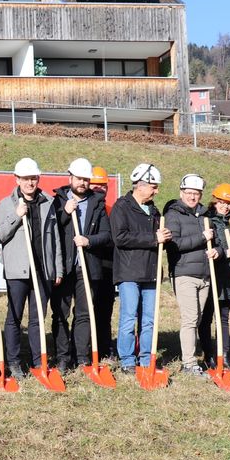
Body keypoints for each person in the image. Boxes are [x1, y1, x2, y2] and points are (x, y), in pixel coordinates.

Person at [0, 158, 63, 377]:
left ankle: (37, 361)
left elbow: (56, 240)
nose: (30, 183)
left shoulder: (48, 203)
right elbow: (0, 234)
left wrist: (57, 268)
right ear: (17, 180)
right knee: (14, 317)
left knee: (37, 319)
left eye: (33, 178)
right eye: (25, 179)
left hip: (42, 270)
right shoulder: (6, 204)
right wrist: (17, 215)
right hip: (17, 270)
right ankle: (13, 362)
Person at [51, 158, 111, 372]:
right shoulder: (58, 201)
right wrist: (65, 213)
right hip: (64, 266)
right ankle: (62, 356)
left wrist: (89, 240)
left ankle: (82, 356)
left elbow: (107, 235)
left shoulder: (97, 203)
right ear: (70, 178)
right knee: (60, 313)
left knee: (85, 313)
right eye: (79, 179)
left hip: (88, 266)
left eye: (86, 179)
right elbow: (50, 230)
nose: (82, 183)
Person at [110, 163, 171, 374]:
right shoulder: (122, 207)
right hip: (128, 272)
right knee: (128, 318)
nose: (156, 191)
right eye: (154, 187)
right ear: (140, 186)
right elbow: (120, 237)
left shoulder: (154, 211)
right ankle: (127, 360)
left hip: (150, 272)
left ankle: (146, 359)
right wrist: (153, 238)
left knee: (149, 319)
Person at [162, 173, 218, 378]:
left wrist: (216, 250)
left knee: (198, 318)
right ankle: (189, 363)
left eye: (196, 193)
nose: (193, 197)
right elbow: (174, 244)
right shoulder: (173, 215)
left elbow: (216, 241)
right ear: (181, 192)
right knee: (190, 318)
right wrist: (202, 237)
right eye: (189, 193)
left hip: (204, 275)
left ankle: (191, 358)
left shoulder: (205, 216)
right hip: (184, 273)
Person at [199, 183, 230, 365]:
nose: (225, 206)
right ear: (214, 201)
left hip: (227, 279)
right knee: (206, 318)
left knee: (223, 318)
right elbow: (209, 249)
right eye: (222, 202)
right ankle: (209, 355)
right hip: (211, 276)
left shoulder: (226, 223)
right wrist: (224, 252)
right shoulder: (207, 220)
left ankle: (224, 354)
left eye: (229, 203)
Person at [88, 165, 117, 359]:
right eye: (95, 185)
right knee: (86, 311)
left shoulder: (111, 211)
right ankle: (84, 347)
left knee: (105, 311)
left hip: (107, 269)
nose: (99, 188)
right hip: (89, 267)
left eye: (103, 185)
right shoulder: (86, 209)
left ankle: (104, 348)